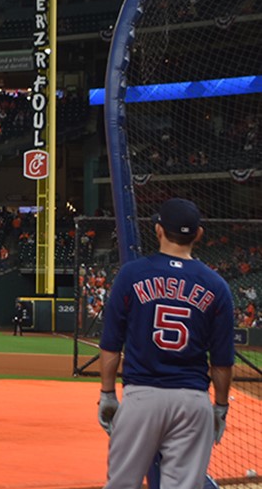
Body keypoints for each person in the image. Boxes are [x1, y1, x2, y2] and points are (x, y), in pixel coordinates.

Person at [97, 198, 235, 489]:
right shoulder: (216, 285)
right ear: (198, 234)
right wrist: (220, 407)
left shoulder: (132, 274)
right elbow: (222, 362)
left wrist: (108, 393)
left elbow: (111, 345)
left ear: (158, 229)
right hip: (192, 401)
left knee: (121, 484)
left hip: (141, 397)